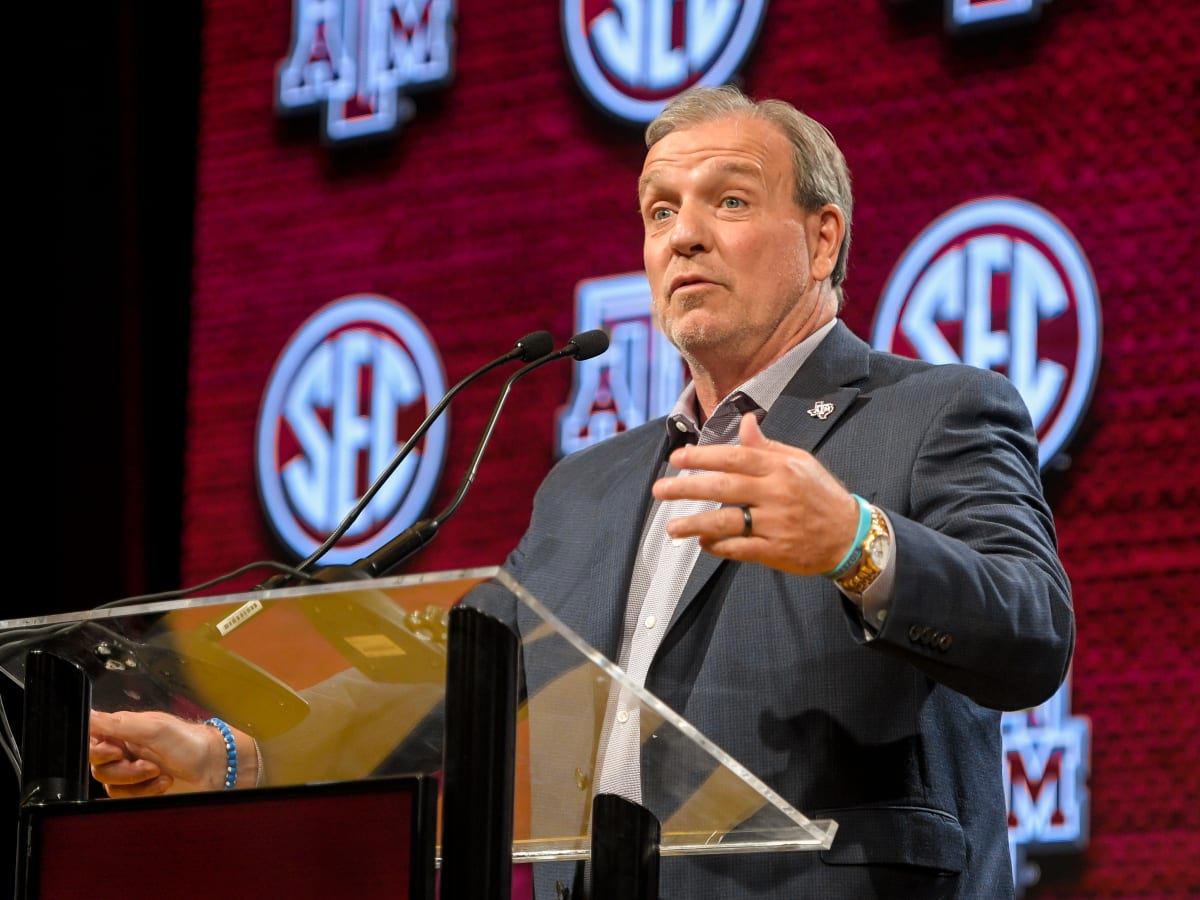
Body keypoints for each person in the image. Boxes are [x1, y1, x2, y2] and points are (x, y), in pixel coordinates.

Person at [89, 85, 1074, 899]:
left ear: (823, 241)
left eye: (728, 202)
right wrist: (236, 758)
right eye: (659, 211)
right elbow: (452, 693)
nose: (682, 238)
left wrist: (857, 541)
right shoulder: (589, 487)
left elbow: (1031, 632)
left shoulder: (936, 412)